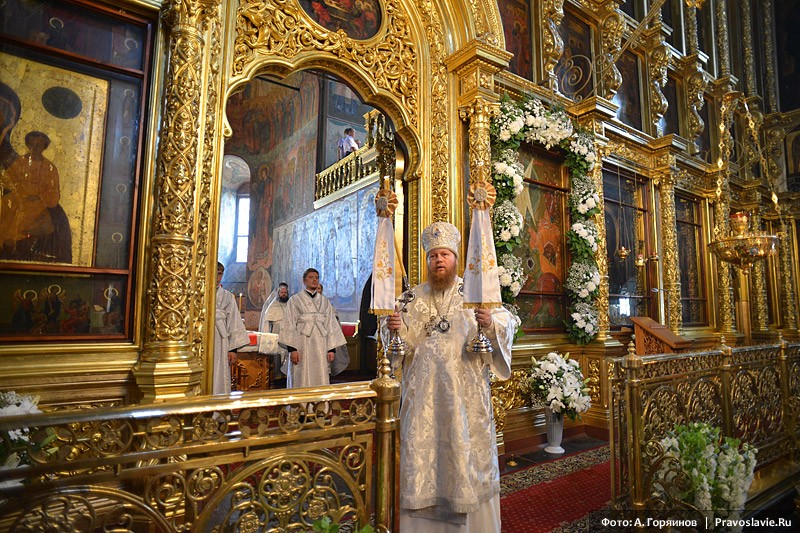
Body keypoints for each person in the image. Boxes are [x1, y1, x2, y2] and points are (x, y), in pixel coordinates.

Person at [383, 221, 518, 532]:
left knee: (463, 459)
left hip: (464, 399)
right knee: (422, 462)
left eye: (444, 254)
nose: (438, 260)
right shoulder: (411, 298)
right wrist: (395, 329)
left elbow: (505, 322)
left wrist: (489, 324)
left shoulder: (473, 292)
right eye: (433, 256)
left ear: (456, 258)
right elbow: (400, 349)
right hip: (422, 403)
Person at [0, 130, 71, 262]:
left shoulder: (49, 167)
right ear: (28, 145)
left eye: (39, 144)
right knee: (6, 218)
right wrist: (15, 192)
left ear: (44, 146)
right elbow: (7, 180)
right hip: (18, 200)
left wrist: (39, 197)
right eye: (33, 144)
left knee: (27, 220)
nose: (35, 147)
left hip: (38, 203)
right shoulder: (19, 162)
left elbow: (54, 192)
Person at [278, 268, 346, 389]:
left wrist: (331, 349)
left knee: (319, 374)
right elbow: (289, 324)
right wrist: (292, 349)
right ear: (304, 281)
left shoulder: (325, 302)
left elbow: (331, 324)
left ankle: (319, 406)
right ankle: (300, 407)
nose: (314, 280)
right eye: (311, 277)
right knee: (301, 374)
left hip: (321, 345)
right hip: (301, 344)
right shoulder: (295, 300)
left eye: (316, 277)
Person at [213, 262, 250, 395]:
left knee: (219, 370)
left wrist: (233, 349)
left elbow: (234, 322)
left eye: (219, 274)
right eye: (214, 273)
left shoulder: (227, 296)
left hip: (221, 338)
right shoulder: (199, 292)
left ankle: (218, 410)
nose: (217, 277)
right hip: (202, 336)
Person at [259, 281, 290, 381]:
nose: (284, 294)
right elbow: (266, 322)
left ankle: (287, 376)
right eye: (282, 293)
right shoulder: (273, 306)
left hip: (289, 335)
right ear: (278, 293)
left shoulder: (291, 305)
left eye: (285, 293)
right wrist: (266, 335)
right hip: (276, 335)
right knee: (277, 357)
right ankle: (277, 377)